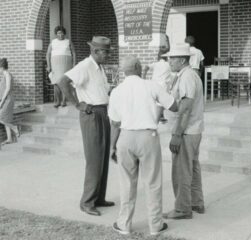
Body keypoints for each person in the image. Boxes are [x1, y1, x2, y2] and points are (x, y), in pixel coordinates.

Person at [109, 56, 178, 236]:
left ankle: (124, 224)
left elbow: (115, 123)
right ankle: (155, 225)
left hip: (125, 137)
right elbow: (174, 106)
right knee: (153, 182)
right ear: (139, 68)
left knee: (126, 183)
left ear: (125, 71)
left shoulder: (117, 91)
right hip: (148, 136)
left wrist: (112, 147)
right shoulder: (151, 85)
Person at [57, 36, 114, 216]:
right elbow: (63, 82)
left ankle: (99, 198)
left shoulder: (99, 68)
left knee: (103, 156)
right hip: (91, 114)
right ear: (96, 51)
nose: (108, 55)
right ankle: (87, 202)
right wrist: (77, 104)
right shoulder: (85, 66)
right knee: (94, 159)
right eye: (106, 52)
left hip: (103, 112)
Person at [164, 43, 205, 219]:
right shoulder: (187, 75)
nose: (169, 62)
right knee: (192, 168)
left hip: (187, 131)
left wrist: (176, 134)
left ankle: (182, 209)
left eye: (171, 58)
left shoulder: (187, 76)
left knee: (181, 171)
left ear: (181, 60)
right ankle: (196, 203)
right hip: (193, 130)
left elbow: (186, 108)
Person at [46, 26, 76, 108]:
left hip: (66, 63)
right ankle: (57, 101)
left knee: (65, 82)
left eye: (62, 33)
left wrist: (74, 64)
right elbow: (48, 54)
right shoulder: (53, 42)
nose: (60, 34)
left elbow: (73, 53)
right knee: (56, 82)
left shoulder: (68, 41)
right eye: (59, 33)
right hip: (55, 63)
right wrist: (49, 66)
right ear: (56, 34)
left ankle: (64, 101)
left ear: (64, 33)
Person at [143, 47, 174, 123]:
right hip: (163, 86)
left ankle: (160, 116)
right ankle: (155, 121)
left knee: (156, 101)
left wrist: (144, 78)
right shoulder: (169, 64)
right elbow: (174, 75)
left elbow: (146, 67)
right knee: (160, 103)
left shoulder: (156, 64)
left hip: (154, 85)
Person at [0, 58, 20, 144]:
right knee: (6, 119)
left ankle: (14, 128)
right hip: (4, 99)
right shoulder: (4, 75)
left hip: (8, 99)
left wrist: (1, 102)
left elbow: (8, 89)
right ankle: (9, 138)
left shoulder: (7, 75)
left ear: (2, 67)